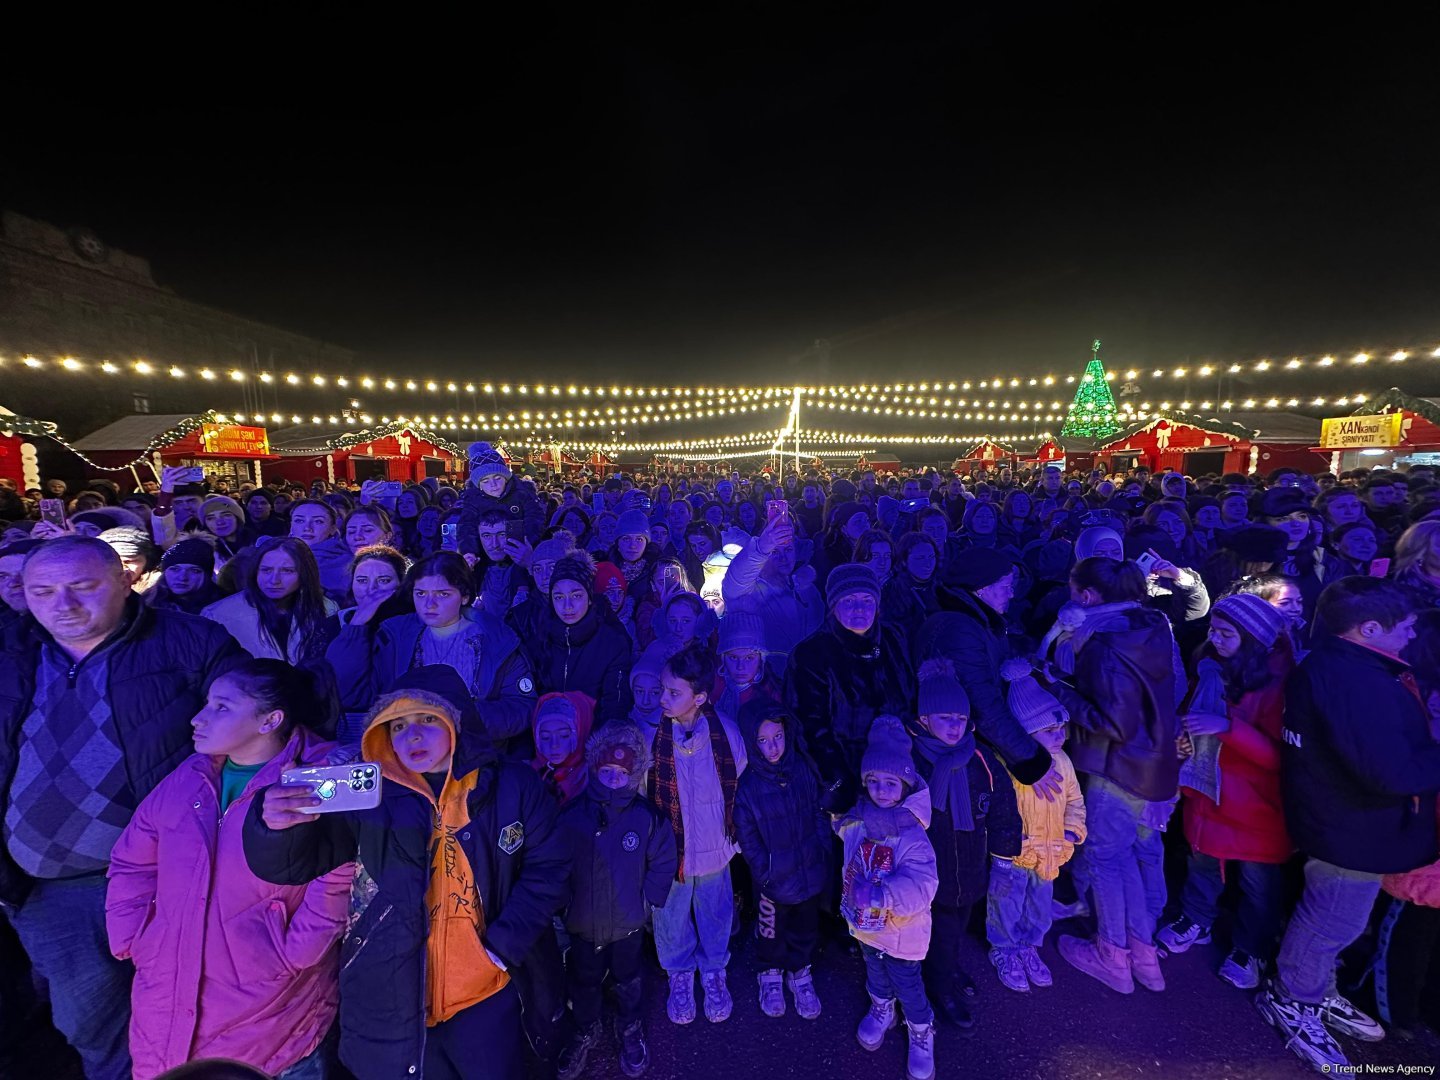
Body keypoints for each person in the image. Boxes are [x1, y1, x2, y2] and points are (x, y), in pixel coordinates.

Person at [0, 536, 248, 1080]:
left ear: (127, 580)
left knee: (190, 1007)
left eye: (82, 587)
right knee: (86, 1020)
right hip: (47, 889)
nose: (62, 604)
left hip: (168, 877)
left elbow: (257, 733)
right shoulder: (10, 650)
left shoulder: (191, 643)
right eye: (42, 591)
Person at [244, 665, 567, 1080]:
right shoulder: (371, 799)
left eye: (427, 720)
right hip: (396, 998)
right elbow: (296, 862)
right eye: (397, 725)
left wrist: (503, 948)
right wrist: (272, 827)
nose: (412, 736)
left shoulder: (513, 786)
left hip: (487, 988)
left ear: (458, 721)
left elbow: (549, 865)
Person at [105, 660, 349, 1080]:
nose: (198, 718)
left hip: (271, 1007)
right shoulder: (191, 777)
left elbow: (340, 869)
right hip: (166, 992)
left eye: (222, 707)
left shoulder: (320, 776)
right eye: (206, 704)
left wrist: (297, 952)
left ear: (270, 720)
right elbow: (133, 858)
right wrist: (133, 933)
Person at [1256, 578, 1440, 1072]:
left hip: (1345, 820)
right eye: (1404, 626)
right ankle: (1292, 998)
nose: (1412, 633)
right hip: (1349, 825)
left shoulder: (1342, 666)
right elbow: (1390, 772)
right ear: (1369, 628)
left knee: (1340, 920)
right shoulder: (1354, 681)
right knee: (1331, 920)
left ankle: (1317, 986)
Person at [1040, 557, 1179, 995]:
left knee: (1104, 861)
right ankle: (1143, 957)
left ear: (1086, 597)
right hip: (1152, 764)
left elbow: (1112, 721)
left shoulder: (1105, 645)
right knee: (1128, 860)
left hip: (1116, 767)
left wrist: (1057, 688)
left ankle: (1111, 955)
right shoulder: (1151, 627)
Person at [1160, 593, 1295, 991]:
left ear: (1254, 639)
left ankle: (1250, 947)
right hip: (1208, 792)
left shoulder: (1280, 686)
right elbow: (1190, 715)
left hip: (1255, 803)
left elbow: (1280, 756)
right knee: (1202, 861)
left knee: (1257, 883)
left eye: (1226, 634)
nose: (1215, 639)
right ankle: (1196, 918)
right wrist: (1183, 738)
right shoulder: (1211, 670)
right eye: (1213, 631)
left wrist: (1226, 728)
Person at [555, 724, 677, 1079]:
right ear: (594, 769)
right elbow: (556, 863)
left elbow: (664, 858)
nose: (612, 778)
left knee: (629, 978)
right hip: (583, 922)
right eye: (606, 771)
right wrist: (564, 904)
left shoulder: (646, 818)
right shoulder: (572, 816)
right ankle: (585, 1028)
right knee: (584, 978)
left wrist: (648, 901)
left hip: (627, 923)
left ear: (634, 774)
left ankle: (629, 1026)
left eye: (621, 773)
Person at [325, 552, 536, 747]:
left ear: (464, 596)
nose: (429, 604)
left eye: (443, 594)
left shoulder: (497, 640)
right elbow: (353, 693)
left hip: (474, 753)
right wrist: (357, 626)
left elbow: (521, 706)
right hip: (407, 755)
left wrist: (459, 718)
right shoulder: (396, 637)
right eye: (421, 593)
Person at [907, 662, 1020, 1025]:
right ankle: (937, 988)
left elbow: (1004, 809)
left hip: (970, 866)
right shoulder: (910, 759)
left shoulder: (981, 760)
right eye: (944, 718)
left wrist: (1002, 862)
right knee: (935, 929)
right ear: (924, 720)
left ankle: (947, 969)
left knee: (956, 925)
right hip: (928, 870)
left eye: (960, 717)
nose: (955, 726)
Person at [649, 644, 747, 1027]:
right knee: (671, 915)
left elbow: (737, 784)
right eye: (663, 690)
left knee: (715, 910)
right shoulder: (654, 737)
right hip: (670, 851)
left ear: (700, 697)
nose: (663, 699)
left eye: (673, 693)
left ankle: (713, 970)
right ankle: (678, 973)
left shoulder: (726, 735)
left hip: (713, 847)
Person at [835, 715, 938, 1080]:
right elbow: (847, 841)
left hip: (902, 933)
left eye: (891, 783)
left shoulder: (912, 834)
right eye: (873, 782)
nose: (881, 790)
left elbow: (924, 886)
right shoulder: (859, 821)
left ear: (905, 786)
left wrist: (880, 893)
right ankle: (882, 1009)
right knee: (875, 972)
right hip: (866, 928)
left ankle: (921, 1030)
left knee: (907, 984)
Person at [915, 549, 1061, 799]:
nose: (1012, 593)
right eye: (1005, 586)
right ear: (981, 588)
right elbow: (983, 703)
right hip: (958, 749)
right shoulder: (960, 630)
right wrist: (1030, 758)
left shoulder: (976, 623)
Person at [986, 662, 1085, 992]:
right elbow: (998, 812)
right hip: (1015, 856)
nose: (1059, 737)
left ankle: (1029, 947)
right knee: (1005, 906)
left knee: (1039, 908)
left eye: (1061, 729)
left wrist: (1070, 833)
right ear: (1024, 734)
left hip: (1050, 854)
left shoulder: (1064, 763)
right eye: (1048, 731)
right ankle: (1004, 949)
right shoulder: (1008, 767)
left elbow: (1074, 802)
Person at [733, 704, 829, 1021]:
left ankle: (800, 971)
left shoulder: (800, 768)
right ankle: (770, 974)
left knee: (805, 928)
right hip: (772, 881)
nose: (773, 746)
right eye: (763, 740)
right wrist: (764, 872)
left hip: (808, 871)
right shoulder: (748, 786)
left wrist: (821, 849)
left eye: (778, 736)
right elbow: (746, 835)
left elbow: (817, 811)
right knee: (770, 931)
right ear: (751, 742)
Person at [531, 553, 634, 726]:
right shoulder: (540, 636)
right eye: (559, 597)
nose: (567, 606)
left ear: (590, 598)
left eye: (576, 596)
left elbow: (614, 705)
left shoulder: (612, 643)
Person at [201, 538, 336, 664]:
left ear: (304, 574)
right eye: (266, 570)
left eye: (287, 571)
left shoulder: (327, 609)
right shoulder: (219, 615)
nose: (274, 580)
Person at [720, 510, 823, 675]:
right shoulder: (748, 591)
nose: (783, 558)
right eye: (774, 552)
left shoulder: (805, 588)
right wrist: (762, 547)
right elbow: (735, 580)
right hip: (766, 684)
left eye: (788, 550)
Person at [458, 442, 544, 554]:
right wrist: (469, 552)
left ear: (506, 477)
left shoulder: (523, 494)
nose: (493, 484)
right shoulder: (473, 500)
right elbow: (467, 527)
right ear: (478, 485)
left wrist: (526, 544)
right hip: (486, 558)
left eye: (497, 478)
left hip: (519, 554)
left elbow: (535, 521)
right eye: (485, 481)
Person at [531, 692, 595, 806]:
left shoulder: (596, 777)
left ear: (579, 733)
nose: (554, 745)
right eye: (545, 737)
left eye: (564, 735)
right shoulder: (529, 776)